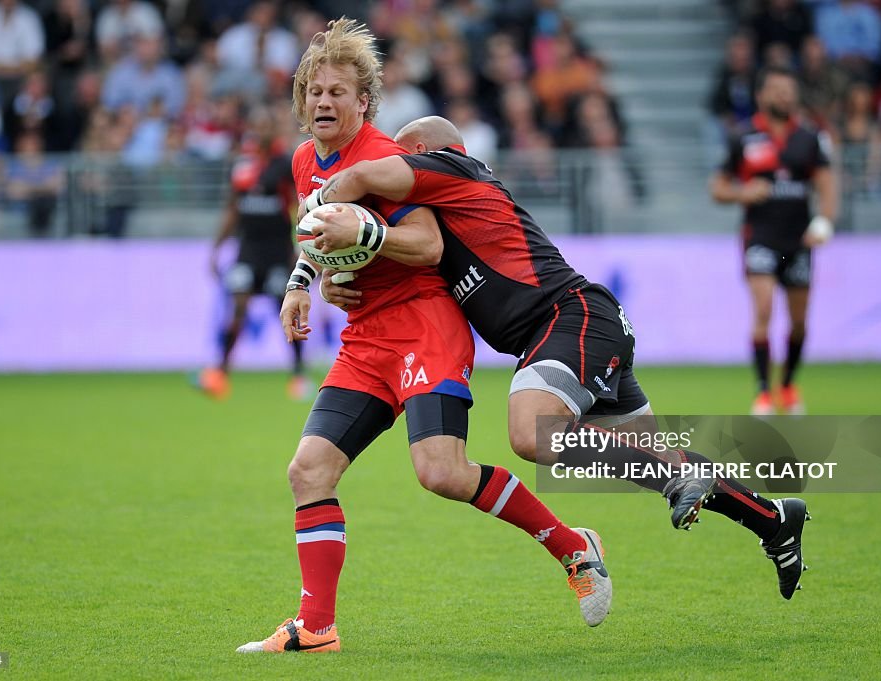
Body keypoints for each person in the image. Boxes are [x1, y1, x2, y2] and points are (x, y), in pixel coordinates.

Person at [308, 114, 812, 601]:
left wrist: (320, 197)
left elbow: (363, 174)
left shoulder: (453, 167)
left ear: (419, 153)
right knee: (657, 456)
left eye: (402, 154)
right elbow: (403, 264)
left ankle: (676, 482)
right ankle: (773, 520)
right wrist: (331, 277)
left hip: (569, 318)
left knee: (531, 433)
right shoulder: (441, 219)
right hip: (577, 328)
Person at [236, 18, 610, 656]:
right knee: (308, 471)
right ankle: (316, 627)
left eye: (337, 92)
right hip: (365, 339)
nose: (323, 102)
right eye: (314, 92)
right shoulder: (304, 160)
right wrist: (302, 283)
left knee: (440, 473)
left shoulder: (385, 159)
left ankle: (572, 546)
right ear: (301, 102)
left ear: (364, 103)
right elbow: (315, 224)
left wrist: (369, 239)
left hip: (424, 326)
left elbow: (429, 244)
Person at [710, 66, 839, 416]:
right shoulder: (745, 137)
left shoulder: (810, 138)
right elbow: (717, 188)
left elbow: (827, 183)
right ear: (762, 96)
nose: (784, 96)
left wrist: (824, 220)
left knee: (798, 322)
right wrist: (743, 192)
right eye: (777, 90)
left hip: (798, 242)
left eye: (789, 90)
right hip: (760, 239)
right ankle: (764, 391)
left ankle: (788, 385)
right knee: (763, 310)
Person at [194, 108, 306, 401]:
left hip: (277, 252)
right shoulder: (242, 164)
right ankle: (220, 371)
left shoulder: (285, 164)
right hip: (247, 251)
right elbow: (233, 209)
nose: (260, 131)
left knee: (285, 310)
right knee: (238, 307)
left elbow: (297, 207)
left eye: (266, 125)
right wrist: (217, 248)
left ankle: (298, 373)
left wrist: (299, 247)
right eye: (256, 125)